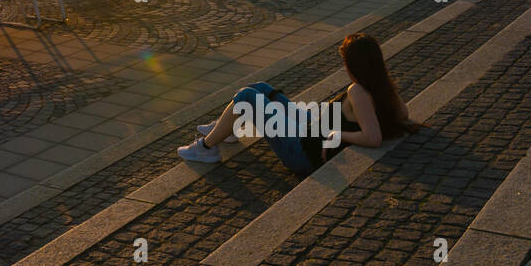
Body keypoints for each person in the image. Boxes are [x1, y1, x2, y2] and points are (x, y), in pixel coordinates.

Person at [177, 33, 420, 170]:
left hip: (303, 151)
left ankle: (206, 149)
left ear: (354, 64)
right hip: (311, 129)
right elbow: (402, 114)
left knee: (246, 96)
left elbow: (373, 138)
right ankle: (224, 129)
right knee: (261, 88)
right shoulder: (380, 85)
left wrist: (337, 134)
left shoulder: (358, 90)